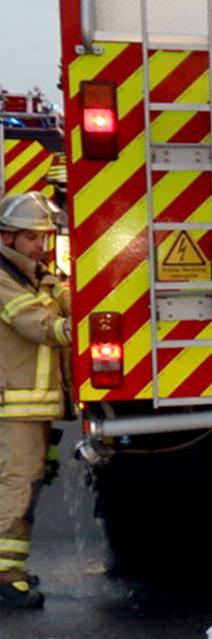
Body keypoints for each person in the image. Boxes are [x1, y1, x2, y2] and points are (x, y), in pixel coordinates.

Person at [0, 193, 72, 610]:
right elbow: (35, 323)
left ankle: (11, 568)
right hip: (16, 405)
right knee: (17, 485)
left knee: (26, 484)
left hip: (35, 404)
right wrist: (79, 328)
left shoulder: (34, 274)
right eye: (31, 237)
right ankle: (7, 576)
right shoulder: (5, 279)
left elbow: (62, 301)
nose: (40, 246)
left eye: (44, 237)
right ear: (8, 237)